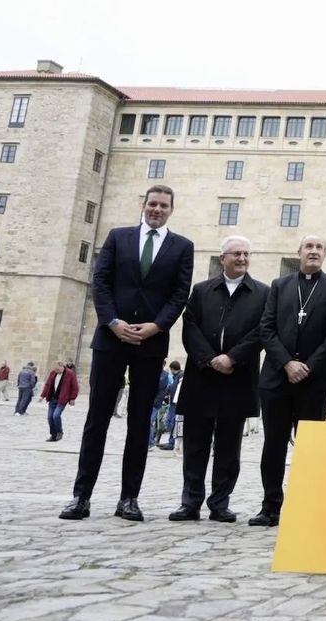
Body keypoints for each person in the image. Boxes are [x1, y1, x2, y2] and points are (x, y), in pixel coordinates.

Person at [61, 185, 195, 523]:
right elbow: (100, 282)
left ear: (171, 209)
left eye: (163, 205)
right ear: (144, 206)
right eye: (152, 204)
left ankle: (129, 498)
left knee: (139, 423)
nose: (156, 210)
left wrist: (157, 326)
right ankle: (81, 496)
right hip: (111, 339)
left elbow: (179, 295)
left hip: (150, 345)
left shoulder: (182, 247)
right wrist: (112, 321)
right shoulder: (118, 237)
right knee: (97, 421)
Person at [170, 234, 268, 523]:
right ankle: (190, 502)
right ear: (222, 258)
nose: (242, 258)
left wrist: (232, 357)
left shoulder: (262, 293)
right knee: (195, 445)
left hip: (238, 377)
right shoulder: (201, 291)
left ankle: (220, 502)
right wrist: (210, 359)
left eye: (246, 254)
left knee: (228, 447)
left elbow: (262, 330)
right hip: (203, 376)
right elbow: (190, 327)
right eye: (236, 253)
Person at [254, 236, 326, 527]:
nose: (314, 252)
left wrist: (306, 366)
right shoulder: (280, 286)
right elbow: (266, 328)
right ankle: (270, 507)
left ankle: (306, 506)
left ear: (325, 255)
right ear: (299, 253)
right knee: (273, 444)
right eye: (309, 247)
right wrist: (287, 363)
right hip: (276, 378)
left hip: (314, 380)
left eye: (319, 248)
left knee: (309, 447)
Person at [42, 361, 79, 440]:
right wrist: (43, 395)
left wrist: (72, 398)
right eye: (55, 370)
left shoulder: (70, 374)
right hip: (52, 398)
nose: (56, 371)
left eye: (57, 369)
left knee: (56, 415)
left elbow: (75, 387)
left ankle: (59, 432)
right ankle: (53, 435)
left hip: (62, 399)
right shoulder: (53, 373)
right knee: (50, 417)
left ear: (62, 366)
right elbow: (48, 384)